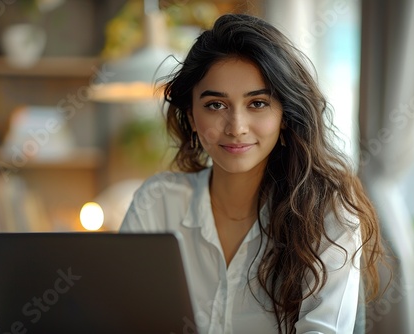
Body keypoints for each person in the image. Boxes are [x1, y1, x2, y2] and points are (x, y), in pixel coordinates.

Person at [120, 13, 384, 334]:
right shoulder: (157, 202)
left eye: (257, 103)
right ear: (191, 115)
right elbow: (125, 317)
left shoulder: (329, 213)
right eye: (216, 105)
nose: (236, 128)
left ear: (284, 115)